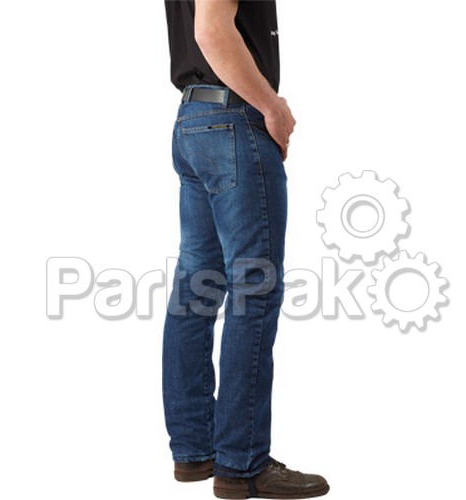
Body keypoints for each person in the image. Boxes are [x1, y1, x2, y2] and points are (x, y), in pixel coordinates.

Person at [162, 1, 329, 498]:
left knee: (196, 288)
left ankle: (195, 450)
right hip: (233, 120)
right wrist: (271, 106)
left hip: (194, 118)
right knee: (253, 290)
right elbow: (212, 31)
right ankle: (242, 463)